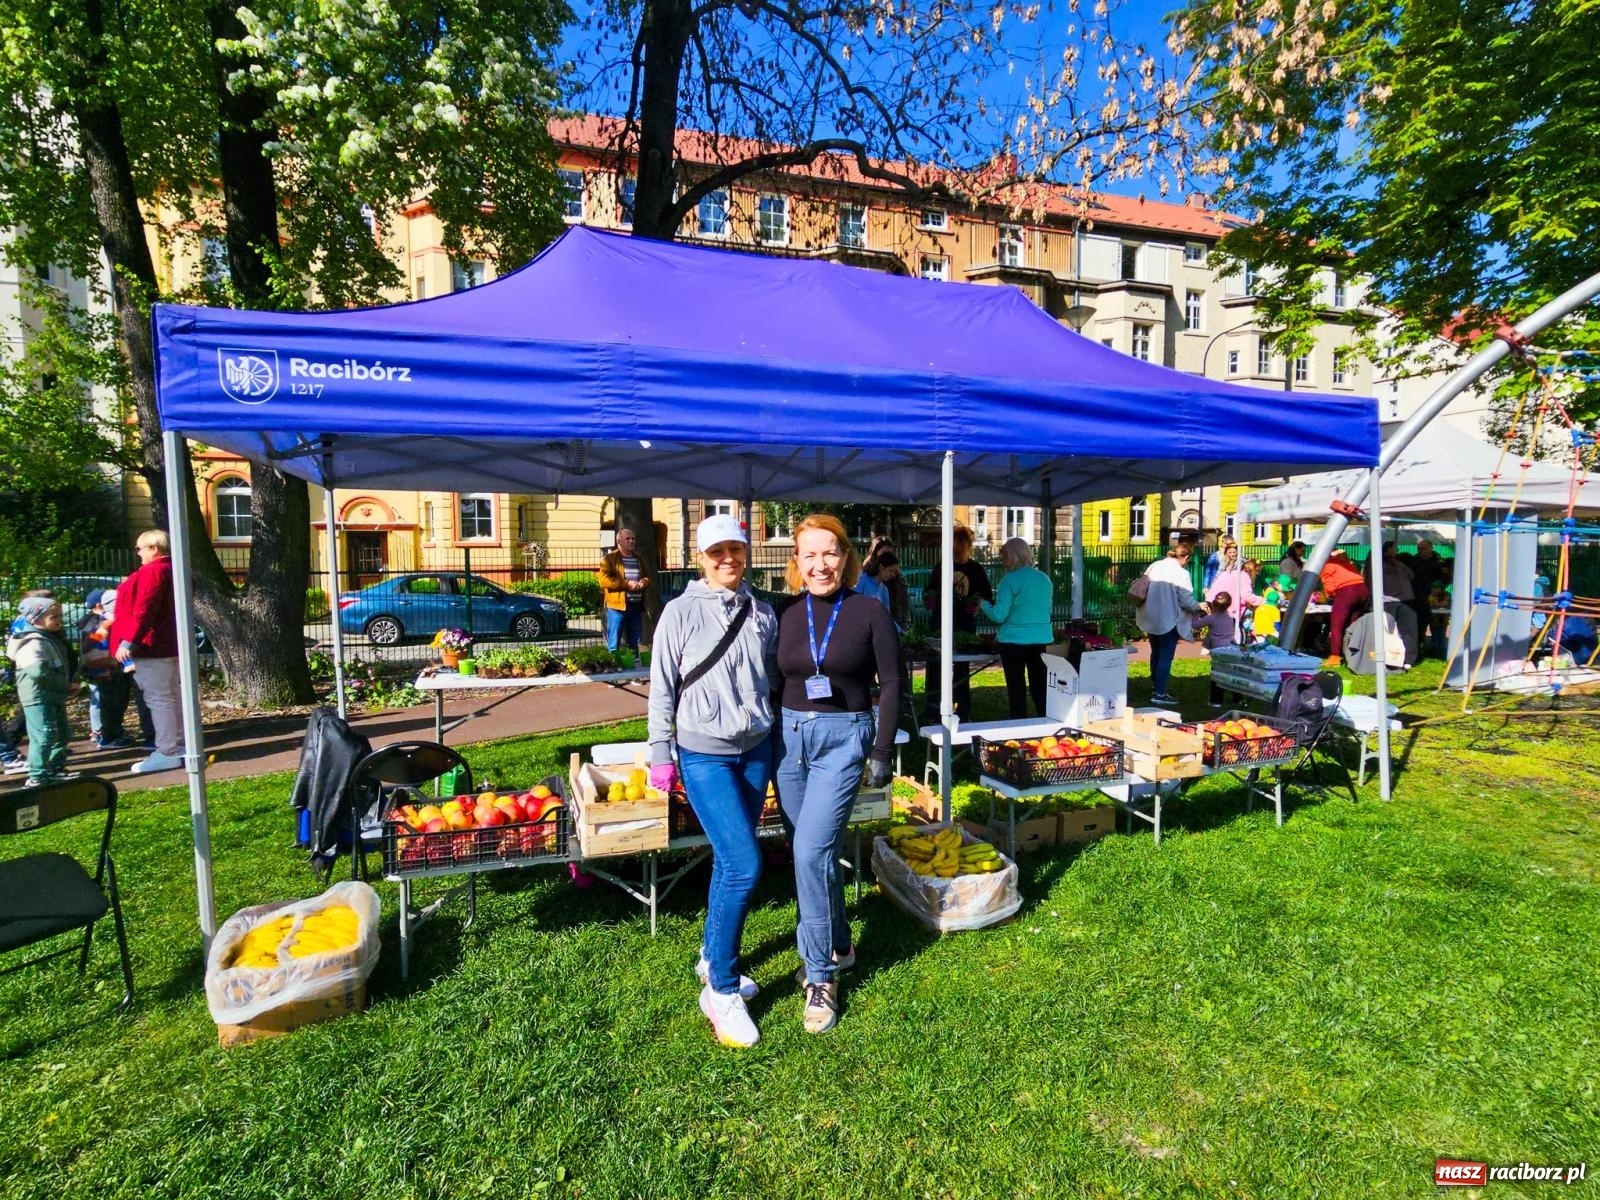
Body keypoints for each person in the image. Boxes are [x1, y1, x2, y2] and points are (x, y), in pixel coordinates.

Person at [646, 514, 779, 1048]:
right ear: (700, 557)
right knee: (746, 862)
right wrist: (661, 751)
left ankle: (709, 955)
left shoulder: (763, 612)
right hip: (704, 754)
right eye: (717, 551)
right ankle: (721, 989)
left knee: (730, 860)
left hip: (756, 749)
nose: (728, 559)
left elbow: (770, 676)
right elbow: (662, 686)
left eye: (736, 551)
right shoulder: (678, 614)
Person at [774, 513, 902, 1034]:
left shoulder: (869, 610)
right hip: (787, 741)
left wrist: (882, 750)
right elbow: (767, 680)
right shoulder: (784, 612)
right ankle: (842, 943)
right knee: (812, 851)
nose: (820, 564)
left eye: (830, 553)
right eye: (809, 554)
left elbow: (893, 684)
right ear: (796, 562)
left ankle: (820, 974)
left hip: (842, 739)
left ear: (847, 558)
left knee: (809, 851)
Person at [112, 529, 185, 774]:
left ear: (153, 548)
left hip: (152, 647)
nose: (139, 553)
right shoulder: (175, 570)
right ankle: (178, 744)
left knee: (159, 698)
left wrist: (128, 641)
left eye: (140, 548)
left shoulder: (153, 572)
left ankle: (167, 750)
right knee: (171, 695)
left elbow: (144, 608)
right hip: (170, 643)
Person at [920, 525, 992, 722]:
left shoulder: (975, 569)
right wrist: (930, 598)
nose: (956, 552)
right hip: (940, 623)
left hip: (964, 626)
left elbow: (987, 595)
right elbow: (928, 591)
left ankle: (962, 709)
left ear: (968, 546)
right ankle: (933, 708)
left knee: (961, 670)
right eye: (953, 548)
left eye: (959, 548)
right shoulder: (941, 567)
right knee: (935, 667)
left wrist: (976, 602)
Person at [978, 537, 1055, 718]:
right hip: (1040, 638)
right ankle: (1046, 719)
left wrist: (983, 604)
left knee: (1016, 687)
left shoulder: (1009, 581)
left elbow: (999, 615)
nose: (1001, 560)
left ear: (1012, 556)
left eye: (1003, 555)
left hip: (1013, 640)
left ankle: (1019, 723)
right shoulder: (1044, 579)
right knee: (1040, 685)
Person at [7, 596, 77, 786]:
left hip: (52, 694)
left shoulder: (48, 638)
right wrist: (65, 685)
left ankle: (54, 768)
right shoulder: (32, 642)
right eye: (53, 617)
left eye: (60, 616)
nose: (59, 620)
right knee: (44, 735)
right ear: (34, 620)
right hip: (38, 696)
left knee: (62, 734)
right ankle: (37, 775)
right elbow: (39, 672)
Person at [1134, 539, 1205, 707]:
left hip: (1149, 616)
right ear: (1186, 557)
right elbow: (1187, 601)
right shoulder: (1181, 573)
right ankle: (1160, 693)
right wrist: (1198, 606)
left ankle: (1156, 685)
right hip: (1168, 619)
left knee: (1156, 653)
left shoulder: (1155, 565)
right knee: (1166, 656)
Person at [597, 527, 649, 657]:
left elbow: (647, 577)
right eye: (628, 539)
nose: (631, 541)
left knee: (634, 643)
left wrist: (644, 582)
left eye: (633, 538)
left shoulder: (638, 558)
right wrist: (627, 584)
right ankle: (613, 672)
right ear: (619, 541)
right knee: (614, 643)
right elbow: (603, 581)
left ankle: (633, 672)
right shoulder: (610, 559)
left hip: (635, 606)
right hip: (617, 608)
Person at [1320, 549, 1370, 666]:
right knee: (1353, 625)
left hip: (1347, 592)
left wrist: (1330, 596)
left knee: (1336, 626)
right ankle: (1354, 653)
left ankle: (1335, 657)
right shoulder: (1345, 563)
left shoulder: (1327, 565)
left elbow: (1330, 587)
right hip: (1363, 590)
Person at [1205, 540, 1261, 644]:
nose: (1232, 555)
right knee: (1233, 627)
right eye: (1230, 552)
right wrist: (1262, 600)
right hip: (1227, 603)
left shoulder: (1236, 568)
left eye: (1234, 552)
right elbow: (1246, 594)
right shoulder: (1239, 573)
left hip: (1221, 599)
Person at [1190, 594, 1237, 704]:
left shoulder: (1211, 618)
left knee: (1216, 675)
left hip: (1218, 651)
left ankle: (1216, 701)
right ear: (1228, 605)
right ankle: (1237, 699)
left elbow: (1195, 625)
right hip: (1231, 648)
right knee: (1231, 674)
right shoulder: (1230, 618)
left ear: (1214, 605)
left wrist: (1196, 612)